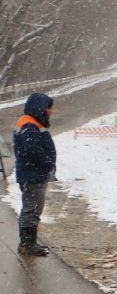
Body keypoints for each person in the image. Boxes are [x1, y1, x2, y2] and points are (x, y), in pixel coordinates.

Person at [13, 93, 56, 257]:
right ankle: (27, 244)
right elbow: (32, 151)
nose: (50, 112)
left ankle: (29, 242)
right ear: (40, 107)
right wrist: (47, 162)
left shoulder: (33, 122)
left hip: (34, 173)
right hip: (32, 174)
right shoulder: (29, 124)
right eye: (48, 108)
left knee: (33, 208)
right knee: (32, 208)